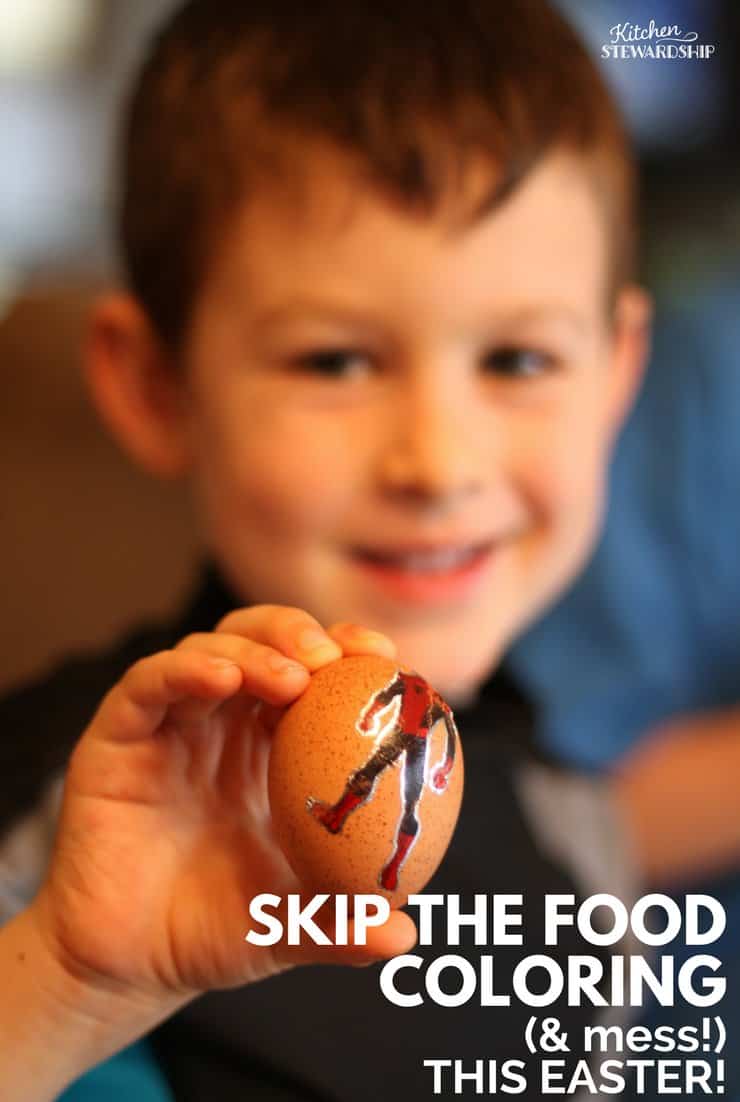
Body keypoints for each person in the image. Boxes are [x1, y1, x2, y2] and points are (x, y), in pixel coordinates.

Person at [0, 1, 656, 1098]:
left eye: (518, 359)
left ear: (614, 373)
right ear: (156, 387)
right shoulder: (55, 822)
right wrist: (70, 982)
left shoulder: (572, 819)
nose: (437, 461)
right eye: (336, 362)